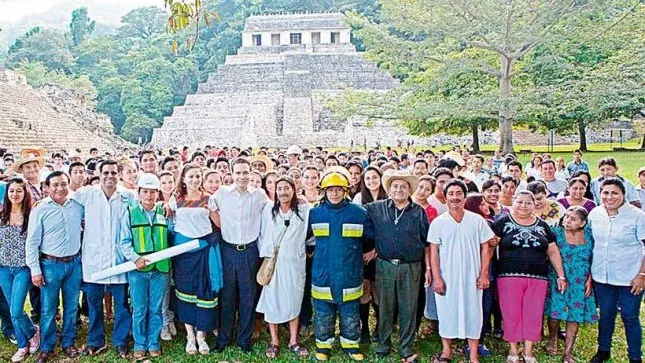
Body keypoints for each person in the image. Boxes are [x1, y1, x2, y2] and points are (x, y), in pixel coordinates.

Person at [492, 190, 567, 363]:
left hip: (538, 278)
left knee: (533, 314)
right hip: (508, 276)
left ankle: (528, 351)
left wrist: (561, 275)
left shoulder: (543, 225)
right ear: (513, 203)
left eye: (527, 202)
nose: (523, 206)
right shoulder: (502, 223)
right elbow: (489, 246)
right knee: (511, 313)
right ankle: (513, 350)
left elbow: (553, 251)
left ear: (534, 205)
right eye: (519, 202)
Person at [364, 170, 430, 363]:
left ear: (409, 190)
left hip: (411, 266)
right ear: (389, 189)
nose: (399, 190)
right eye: (395, 186)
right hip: (385, 265)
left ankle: (406, 346)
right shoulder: (376, 208)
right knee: (385, 306)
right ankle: (383, 344)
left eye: (403, 186)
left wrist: (428, 269)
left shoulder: (418, 212)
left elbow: (427, 242)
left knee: (409, 307)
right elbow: (355, 212)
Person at [71, 160, 134, 358]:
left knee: (122, 304)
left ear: (119, 174)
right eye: (105, 172)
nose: (110, 176)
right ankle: (95, 341)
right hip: (94, 259)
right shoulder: (87, 194)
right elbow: (65, 199)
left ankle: (121, 341)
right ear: (99, 174)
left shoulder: (128, 196)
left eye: (114, 173)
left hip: (119, 259)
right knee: (94, 304)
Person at [429, 181, 495, 363]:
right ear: (445, 197)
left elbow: (486, 247)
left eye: (459, 193)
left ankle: (473, 355)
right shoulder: (438, 222)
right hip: (447, 275)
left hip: (472, 275)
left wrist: (483, 273)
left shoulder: (477, 220)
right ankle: (446, 351)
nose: (455, 197)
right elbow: (433, 252)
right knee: (446, 311)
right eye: (451, 193)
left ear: (465, 197)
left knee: (474, 311)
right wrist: (437, 278)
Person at [211, 158, 269, 354]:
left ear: (251, 173)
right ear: (232, 174)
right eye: (238, 173)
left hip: (250, 251)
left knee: (248, 296)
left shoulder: (259, 195)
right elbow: (207, 206)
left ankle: (244, 339)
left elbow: (273, 209)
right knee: (227, 296)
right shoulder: (222, 194)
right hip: (228, 250)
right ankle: (224, 338)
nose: (242, 177)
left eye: (245, 172)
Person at [308, 168, 367, 361]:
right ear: (324, 191)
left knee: (350, 313)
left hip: (350, 273)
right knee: (323, 314)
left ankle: (351, 345)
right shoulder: (314, 214)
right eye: (330, 189)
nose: (334, 193)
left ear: (346, 191)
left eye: (339, 189)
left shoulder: (359, 213)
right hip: (322, 273)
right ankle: (323, 346)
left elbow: (370, 240)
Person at [26, 172, 84, 363]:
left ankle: (68, 342)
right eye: (55, 185)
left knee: (71, 307)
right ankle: (47, 346)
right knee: (48, 308)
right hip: (50, 265)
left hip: (74, 264)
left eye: (64, 184)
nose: (60, 188)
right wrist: (35, 269)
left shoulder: (77, 206)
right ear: (47, 187)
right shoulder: (40, 209)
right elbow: (32, 241)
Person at [588, 178, 644, 363]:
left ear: (623, 194)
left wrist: (642, 275)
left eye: (614, 193)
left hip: (631, 277)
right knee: (606, 313)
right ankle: (603, 350)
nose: (609, 197)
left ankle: (635, 356)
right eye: (605, 192)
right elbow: (590, 244)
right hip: (602, 275)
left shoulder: (637, 216)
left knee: (629, 315)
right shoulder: (595, 214)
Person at [169, 163, 223, 355]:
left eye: (198, 176)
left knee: (205, 293)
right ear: (183, 178)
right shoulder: (176, 200)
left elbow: (219, 223)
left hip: (204, 251)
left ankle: (202, 335)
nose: (194, 180)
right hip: (183, 253)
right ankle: (190, 336)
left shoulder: (209, 200)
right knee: (185, 292)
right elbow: (170, 223)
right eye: (190, 176)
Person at [117, 174, 171, 360]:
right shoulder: (130, 213)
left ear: (158, 193)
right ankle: (140, 344)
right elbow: (123, 242)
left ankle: (153, 342)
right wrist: (135, 258)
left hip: (160, 269)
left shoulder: (164, 213)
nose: (149, 195)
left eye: (153, 192)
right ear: (138, 193)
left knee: (155, 308)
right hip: (138, 270)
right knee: (139, 309)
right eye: (145, 191)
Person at [257, 176, 310, 359]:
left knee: (294, 300)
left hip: (295, 264)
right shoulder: (268, 210)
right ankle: (274, 341)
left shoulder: (304, 210)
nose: (283, 192)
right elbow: (262, 235)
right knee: (273, 300)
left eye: (287, 188)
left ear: (294, 190)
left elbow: (310, 236)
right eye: (279, 188)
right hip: (274, 264)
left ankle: (293, 341)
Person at [544, 206, 597, 363]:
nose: (567, 221)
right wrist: (560, 275)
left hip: (580, 280)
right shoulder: (556, 233)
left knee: (575, 314)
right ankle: (552, 338)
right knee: (556, 311)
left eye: (573, 219)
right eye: (566, 217)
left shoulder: (589, 235)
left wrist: (590, 279)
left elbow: (594, 258)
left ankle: (568, 352)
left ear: (582, 223)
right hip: (559, 277)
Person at [1, 177, 40, 362]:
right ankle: (23, 345)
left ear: (25, 194)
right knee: (11, 309)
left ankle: (33, 331)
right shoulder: (1, 214)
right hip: (3, 268)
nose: (14, 194)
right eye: (11, 191)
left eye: (19, 191)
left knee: (16, 310)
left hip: (23, 268)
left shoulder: (32, 214)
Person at [351, 165, 386, 343]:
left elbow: (388, 229)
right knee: (364, 288)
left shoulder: (387, 198)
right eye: (368, 178)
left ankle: (380, 327)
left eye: (375, 177)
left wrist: (376, 250)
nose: (371, 181)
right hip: (363, 248)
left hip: (381, 249)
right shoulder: (358, 198)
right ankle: (364, 327)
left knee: (378, 289)